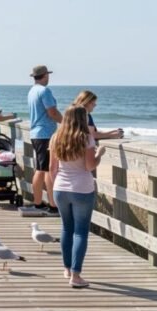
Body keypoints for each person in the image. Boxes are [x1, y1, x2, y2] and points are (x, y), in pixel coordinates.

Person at [50, 105, 106, 288]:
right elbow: (89, 166)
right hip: (82, 188)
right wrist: (99, 154)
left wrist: (55, 188)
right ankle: (76, 275)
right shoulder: (86, 138)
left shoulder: (56, 137)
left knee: (67, 228)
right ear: (82, 120)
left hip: (60, 188)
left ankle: (67, 268)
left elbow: (52, 169)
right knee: (81, 231)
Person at [28, 65, 63, 213]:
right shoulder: (44, 91)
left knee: (41, 168)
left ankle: (39, 202)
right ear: (45, 75)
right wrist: (67, 123)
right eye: (48, 75)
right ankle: (51, 204)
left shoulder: (32, 91)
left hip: (36, 133)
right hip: (45, 134)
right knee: (46, 170)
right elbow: (52, 112)